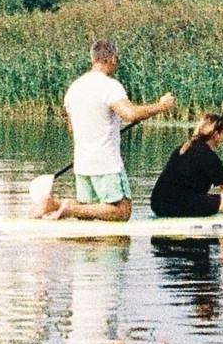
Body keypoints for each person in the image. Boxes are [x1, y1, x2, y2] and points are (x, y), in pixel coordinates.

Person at [45, 38, 175, 221]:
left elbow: (72, 128)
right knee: (122, 212)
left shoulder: (74, 88)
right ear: (112, 58)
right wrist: (160, 106)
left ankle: (56, 205)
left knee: (90, 215)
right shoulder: (110, 86)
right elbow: (129, 114)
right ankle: (68, 208)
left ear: (93, 59)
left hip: (82, 164)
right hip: (106, 163)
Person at [149, 112, 223, 230]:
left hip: (158, 205)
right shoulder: (207, 155)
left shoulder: (183, 147)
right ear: (216, 135)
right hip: (174, 205)